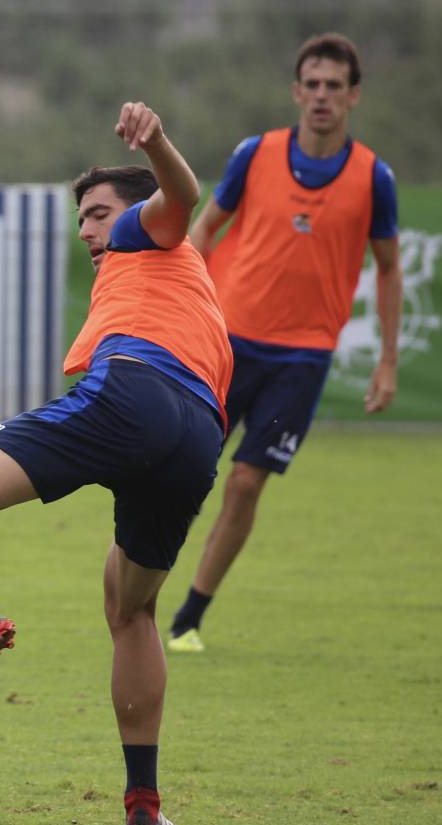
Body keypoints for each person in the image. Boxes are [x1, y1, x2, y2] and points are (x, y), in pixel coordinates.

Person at [0, 101, 233, 825]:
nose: (87, 230)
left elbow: (183, 197)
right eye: (83, 219)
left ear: (129, 211)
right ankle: (144, 803)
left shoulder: (140, 232)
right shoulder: (184, 280)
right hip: (196, 438)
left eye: (95, 212)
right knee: (130, 605)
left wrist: (157, 146)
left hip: (134, 394)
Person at [167, 32, 403, 653]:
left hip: (303, 356)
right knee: (181, 466)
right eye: (313, 85)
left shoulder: (373, 177)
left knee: (246, 482)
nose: (322, 96)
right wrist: (180, 306)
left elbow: (390, 267)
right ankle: (138, 589)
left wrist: (386, 360)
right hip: (227, 342)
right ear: (297, 91)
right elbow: (205, 229)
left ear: (354, 96)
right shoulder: (256, 154)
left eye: (335, 86)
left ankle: (190, 615)